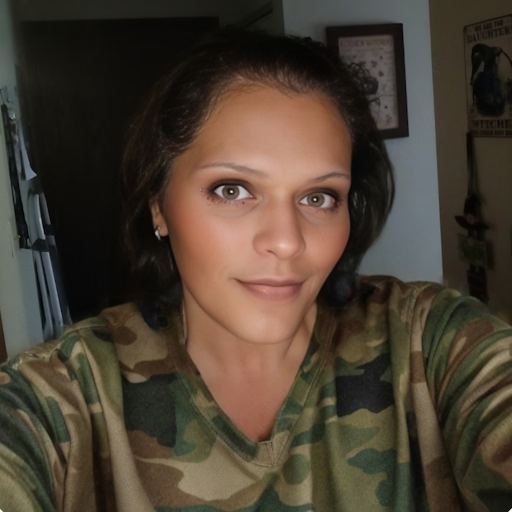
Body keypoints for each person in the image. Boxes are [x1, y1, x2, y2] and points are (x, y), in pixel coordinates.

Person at [1, 28, 511, 512]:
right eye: (232, 190)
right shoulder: (62, 396)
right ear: (158, 204)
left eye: (319, 197)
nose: (287, 241)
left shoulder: (429, 342)